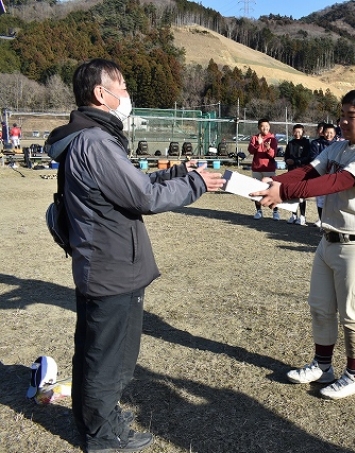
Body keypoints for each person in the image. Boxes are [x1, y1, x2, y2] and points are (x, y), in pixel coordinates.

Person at [44, 59, 225, 453]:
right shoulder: (96, 142)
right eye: (122, 86)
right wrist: (195, 183)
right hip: (112, 269)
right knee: (109, 359)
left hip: (105, 265)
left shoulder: (90, 138)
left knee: (98, 352)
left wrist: (176, 172)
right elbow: (144, 197)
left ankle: (98, 421)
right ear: (101, 93)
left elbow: (129, 184)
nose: (127, 94)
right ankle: (103, 435)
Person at [251, 89, 355, 400]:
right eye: (341, 115)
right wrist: (278, 181)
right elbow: (310, 171)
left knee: (352, 315)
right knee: (320, 308)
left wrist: (285, 193)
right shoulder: (339, 146)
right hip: (329, 239)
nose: (342, 122)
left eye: (351, 116)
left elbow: (338, 181)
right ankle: (323, 366)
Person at [248, 118, 279, 220]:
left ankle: (275, 212)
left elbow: (273, 155)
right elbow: (251, 151)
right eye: (262, 126)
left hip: (269, 168)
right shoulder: (255, 138)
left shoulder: (273, 139)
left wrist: (268, 148)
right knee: (257, 189)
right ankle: (259, 211)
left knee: (272, 190)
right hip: (257, 168)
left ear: (269, 127)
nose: (265, 128)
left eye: (266, 126)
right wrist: (258, 144)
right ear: (258, 127)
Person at [309, 123, 336, 227]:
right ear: (323, 133)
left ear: (335, 133)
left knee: (333, 199)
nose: (329, 135)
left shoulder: (338, 145)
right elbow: (314, 158)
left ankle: (331, 221)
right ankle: (321, 220)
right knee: (320, 199)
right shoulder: (316, 143)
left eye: (331, 133)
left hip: (333, 176)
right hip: (321, 175)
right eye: (326, 132)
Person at [284, 123, 311, 225]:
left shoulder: (306, 143)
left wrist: (295, 161)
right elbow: (286, 156)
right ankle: (294, 215)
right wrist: (287, 160)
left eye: (299, 132)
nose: (297, 134)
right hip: (291, 171)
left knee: (301, 195)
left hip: (302, 172)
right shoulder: (290, 143)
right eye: (295, 132)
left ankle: (302, 216)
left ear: (303, 132)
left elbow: (307, 157)